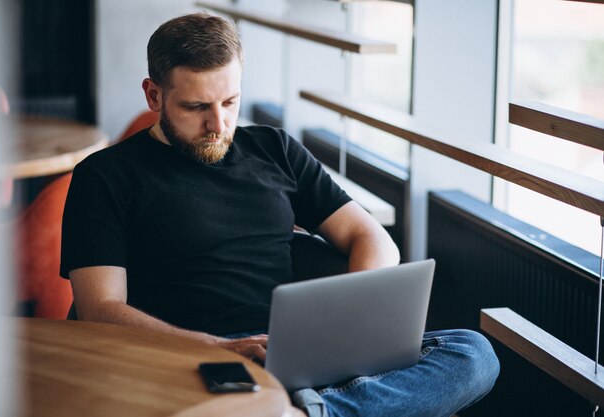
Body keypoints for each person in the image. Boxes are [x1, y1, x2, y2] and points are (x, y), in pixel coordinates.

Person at [60, 12, 499, 417]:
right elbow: (101, 308)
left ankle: (312, 411)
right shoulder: (105, 176)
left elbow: (373, 239)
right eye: (196, 107)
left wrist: (348, 319)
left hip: (298, 351)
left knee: (473, 352)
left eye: (230, 102)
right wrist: (224, 346)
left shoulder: (275, 149)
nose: (218, 124)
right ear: (154, 94)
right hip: (195, 358)